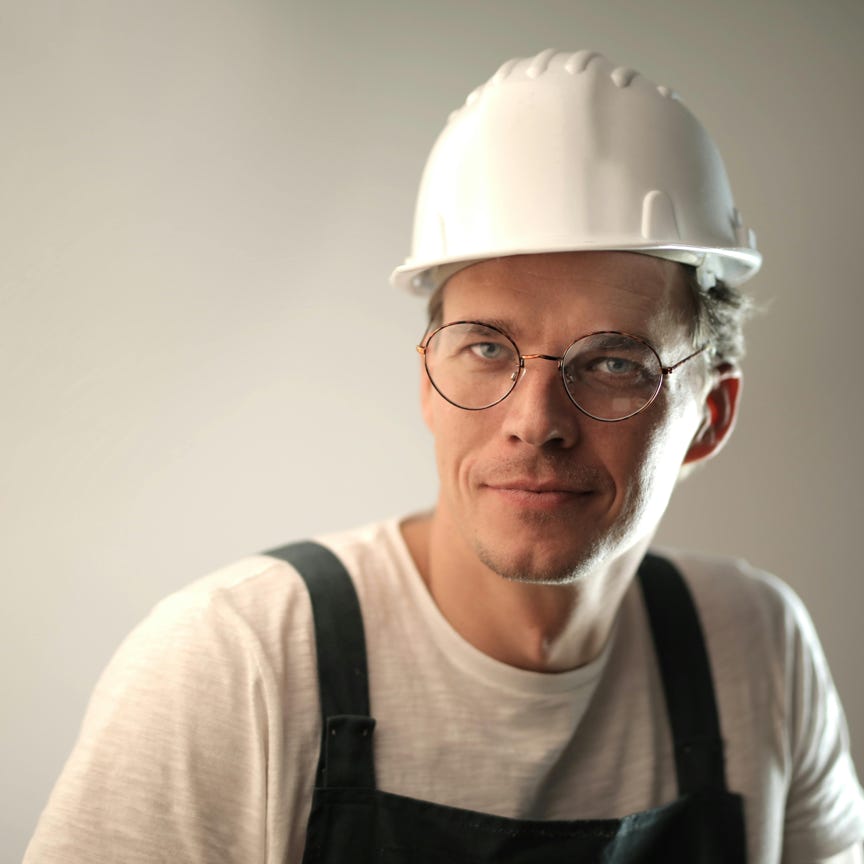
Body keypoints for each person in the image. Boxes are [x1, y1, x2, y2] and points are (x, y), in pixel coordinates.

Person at [25, 49, 864, 863]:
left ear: (710, 416)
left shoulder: (754, 650)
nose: (536, 423)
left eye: (613, 363)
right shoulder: (237, 663)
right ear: (428, 384)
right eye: (488, 349)